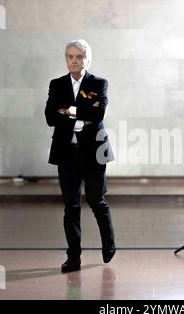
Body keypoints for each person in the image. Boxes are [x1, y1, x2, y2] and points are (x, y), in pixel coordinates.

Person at [45, 39, 115, 273]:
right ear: (66, 59)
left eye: (79, 57)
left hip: (94, 152)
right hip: (67, 153)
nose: (74, 61)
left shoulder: (99, 83)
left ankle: (109, 244)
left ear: (88, 60)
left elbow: (98, 113)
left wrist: (68, 110)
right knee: (71, 206)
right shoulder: (56, 85)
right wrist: (81, 112)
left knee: (97, 201)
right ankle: (73, 257)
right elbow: (50, 118)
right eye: (70, 56)